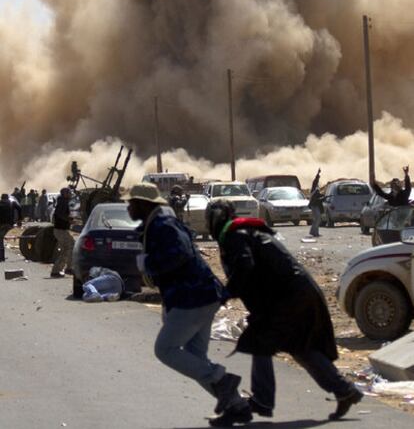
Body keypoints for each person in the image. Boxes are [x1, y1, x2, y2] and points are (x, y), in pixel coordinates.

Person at [205, 200, 363, 423]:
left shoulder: (235, 236)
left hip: (288, 296)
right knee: (299, 346)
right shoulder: (242, 232)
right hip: (294, 293)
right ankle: (344, 390)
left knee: (261, 341)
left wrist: (224, 294)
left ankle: (262, 399)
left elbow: (245, 267)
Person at [126, 183, 251, 427]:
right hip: (201, 295)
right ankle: (238, 406)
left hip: (192, 297)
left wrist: (149, 264)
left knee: (165, 350)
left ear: (143, 204)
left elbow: (180, 253)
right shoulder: (156, 224)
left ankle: (223, 380)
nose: (128, 207)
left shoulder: (163, 225)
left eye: (131, 203)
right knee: (195, 358)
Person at [50, 187, 74, 278]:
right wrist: (69, 220)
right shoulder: (62, 202)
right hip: (60, 230)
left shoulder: (63, 201)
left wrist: (69, 219)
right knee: (69, 247)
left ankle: (68, 267)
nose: (70, 194)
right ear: (64, 193)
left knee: (69, 246)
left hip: (61, 230)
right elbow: (59, 214)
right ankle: (57, 270)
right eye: (68, 193)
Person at [0, 193, 21, 261]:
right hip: (9, 224)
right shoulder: (12, 203)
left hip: (1, 224)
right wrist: (19, 219)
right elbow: (19, 208)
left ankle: (1, 257)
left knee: (0, 239)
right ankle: (1, 257)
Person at [308, 168, 324, 236]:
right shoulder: (314, 188)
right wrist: (318, 173)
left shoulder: (316, 189)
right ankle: (314, 232)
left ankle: (314, 231)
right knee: (317, 219)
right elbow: (315, 181)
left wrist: (323, 197)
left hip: (316, 205)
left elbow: (319, 196)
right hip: (314, 205)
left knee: (317, 219)